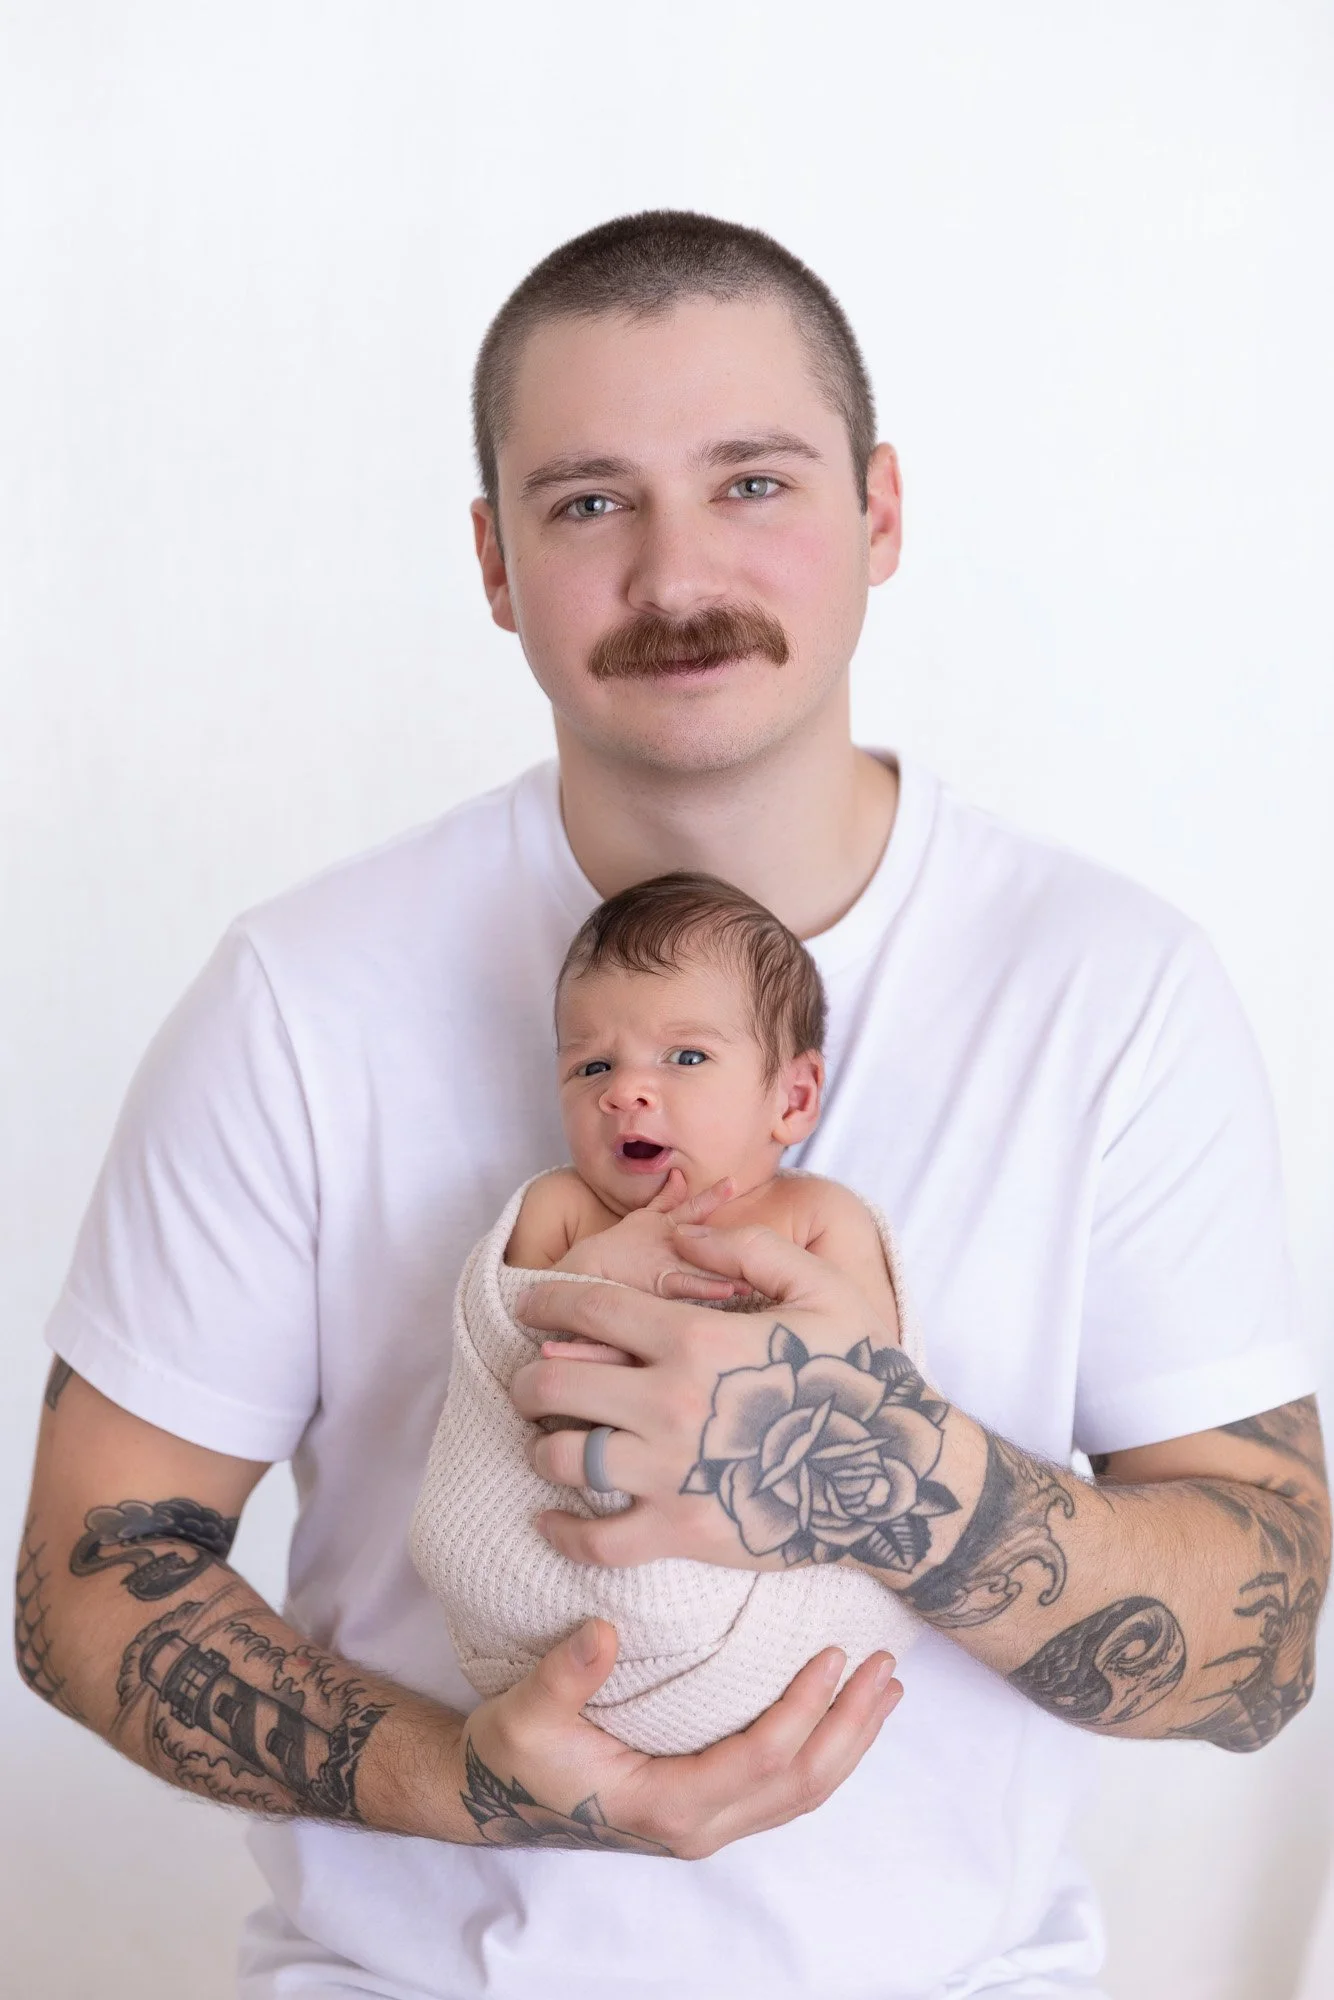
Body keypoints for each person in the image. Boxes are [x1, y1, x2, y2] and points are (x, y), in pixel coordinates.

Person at [16, 209, 1327, 1999]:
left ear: (877, 513)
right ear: (492, 562)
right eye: (586, 502)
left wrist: (872, 1475)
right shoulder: (297, 996)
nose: (673, 573)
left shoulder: (1107, 985)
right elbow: (92, 1577)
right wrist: (466, 1784)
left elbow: (1262, 1641)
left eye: (753, 483)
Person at [411, 870, 928, 1757]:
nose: (626, 1091)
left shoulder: (814, 1217)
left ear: (792, 1099)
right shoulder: (563, 1208)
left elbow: (876, 1385)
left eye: (684, 1058)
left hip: (752, 1574)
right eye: (592, 1065)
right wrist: (601, 1272)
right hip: (560, 1554)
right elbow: (514, 1341)